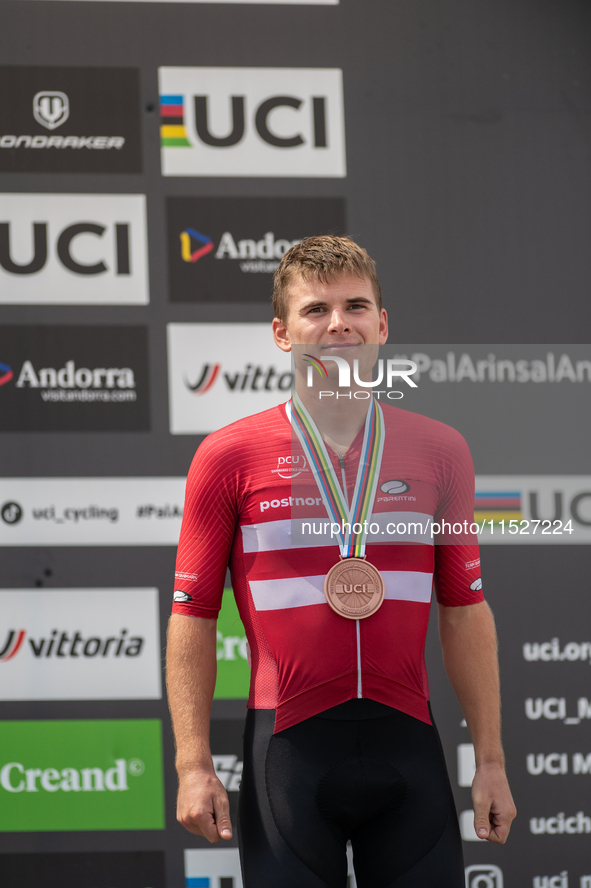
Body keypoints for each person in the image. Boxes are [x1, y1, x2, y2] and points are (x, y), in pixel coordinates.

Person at [166, 235, 516, 888]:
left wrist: (490, 761)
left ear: (381, 325)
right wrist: (192, 766)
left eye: (355, 305)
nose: (337, 324)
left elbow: (465, 610)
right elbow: (193, 615)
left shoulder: (440, 451)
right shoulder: (229, 455)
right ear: (281, 332)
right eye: (314, 309)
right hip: (289, 756)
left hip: (408, 749)